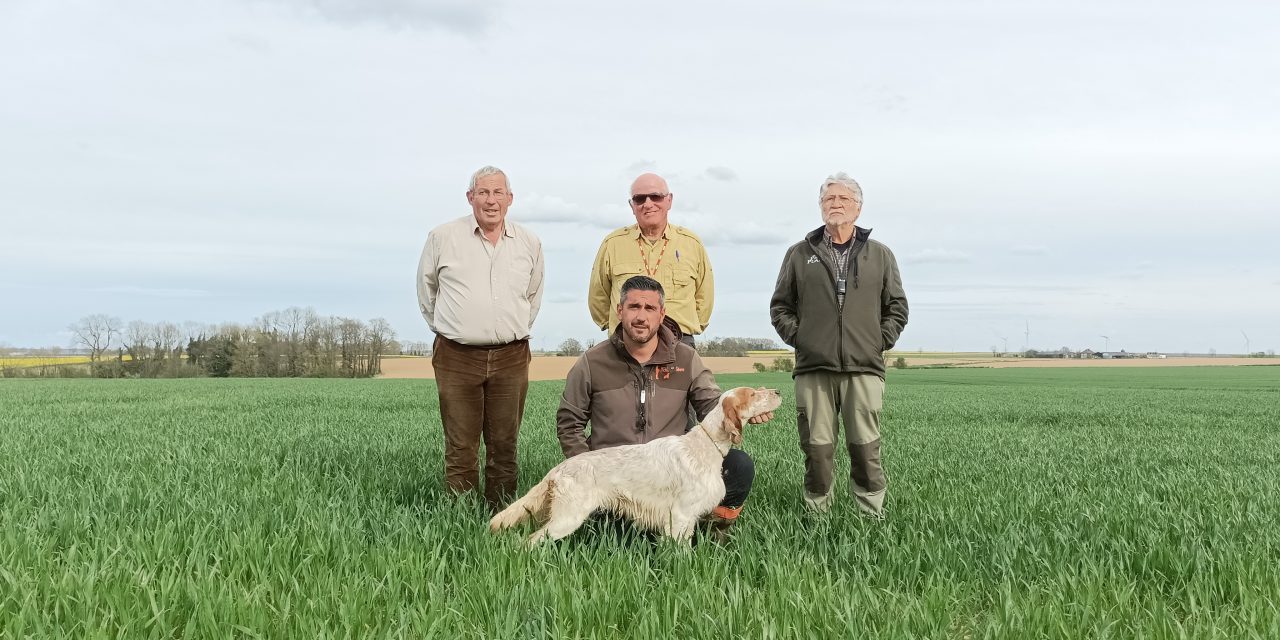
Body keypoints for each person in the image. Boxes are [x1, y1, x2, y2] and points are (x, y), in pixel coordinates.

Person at [557, 276, 770, 540]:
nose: (641, 317)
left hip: (672, 476)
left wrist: (744, 409)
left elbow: (712, 408)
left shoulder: (686, 358)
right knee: (618, 541)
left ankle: (711, 532)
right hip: (615, 482)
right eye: (634, 307)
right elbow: (569, 422)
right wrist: (588, 472)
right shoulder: (591, 362)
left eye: (650, 309)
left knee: (738, 465)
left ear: (662, 314)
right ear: (619, 310)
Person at [769, 173, 908, 518]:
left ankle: (870, 516)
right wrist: (802, 339)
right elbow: (780, 306)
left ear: (858, 209)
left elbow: (897, 308)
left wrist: (877, 341)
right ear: (820, 207)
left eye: (843, 199)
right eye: (829, 199)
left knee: (865, 449)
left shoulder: (880, 255)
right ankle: (818, 516)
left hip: (864, 368)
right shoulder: (800, 254)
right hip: (814, 368)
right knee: (817, 449)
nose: (835, 204)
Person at [416, 165, 544, 511]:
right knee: (461, 445)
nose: (491, 201)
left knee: (505, 444)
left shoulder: (529, 242)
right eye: (483, 193)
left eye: (498, 193)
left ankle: (501, 516)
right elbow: (427, 292)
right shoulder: (442, 237)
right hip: (457, 356)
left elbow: (532, 296)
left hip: (511, 356)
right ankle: (462, 518)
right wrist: (454, 328)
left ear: (510, 199)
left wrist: (505, 330)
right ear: (470, 197)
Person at [587, 173, 713, 348]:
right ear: (632, 206)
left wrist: (684, 328)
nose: (648, 204)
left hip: (679, 344)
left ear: (669, 200)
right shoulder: (612, 244)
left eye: (655, 196)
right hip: (626, 345)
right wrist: (622, 328)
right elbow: (598, 298)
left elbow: (704, 298)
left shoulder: (691, 244)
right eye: (639, 199)